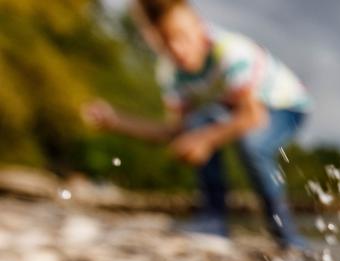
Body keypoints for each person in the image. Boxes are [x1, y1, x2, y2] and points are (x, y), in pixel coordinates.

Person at [83, 0, 312, 248]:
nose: (177, 50)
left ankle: (287, 236)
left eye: (181, 37)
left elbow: (253, 117)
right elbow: (174, 131)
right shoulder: (172, 73)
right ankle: (214, 221)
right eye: (165, 44)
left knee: (252, 144)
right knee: (197, 123)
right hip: (236, 109)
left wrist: (204, 139)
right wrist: (116, 121)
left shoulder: (230, 53)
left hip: (286, 105)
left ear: (198, 26)